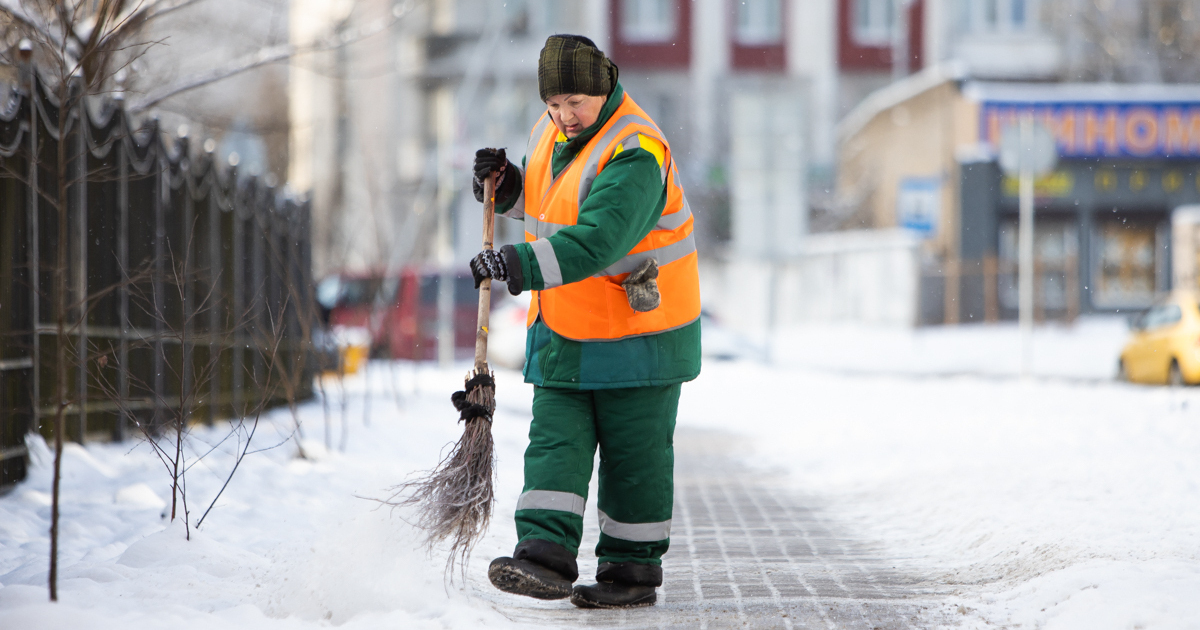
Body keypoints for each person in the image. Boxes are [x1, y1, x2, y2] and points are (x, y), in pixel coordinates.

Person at [468, 34, 701, 609]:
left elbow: (598, 238)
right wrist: (503, 189)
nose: (563, 116)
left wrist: (515, 263)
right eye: (554, 104)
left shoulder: (637, 150)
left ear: (603, 89)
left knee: (634, 460)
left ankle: (630, 573)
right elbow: (552, 207)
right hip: (565, 330)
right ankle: (542, 560)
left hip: (639, 337)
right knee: (554, 447)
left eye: (575, 103)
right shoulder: (550, 132)